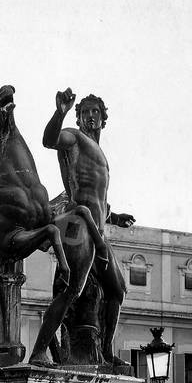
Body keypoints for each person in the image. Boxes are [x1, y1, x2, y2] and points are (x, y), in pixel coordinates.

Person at [43, 89, 135, 367]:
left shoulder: (101, 155)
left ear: (103, 119)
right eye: (85, 112)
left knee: (117, 289)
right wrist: (60, 112)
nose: (90, 116)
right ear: (79, 118)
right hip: (80, 226)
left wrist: (114, 216)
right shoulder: (74, 137)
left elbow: (99, 200)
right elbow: (49, 141)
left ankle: (106, 350)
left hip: (99, 229)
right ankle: (43, 349)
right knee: (71, 290)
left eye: (95, 112)